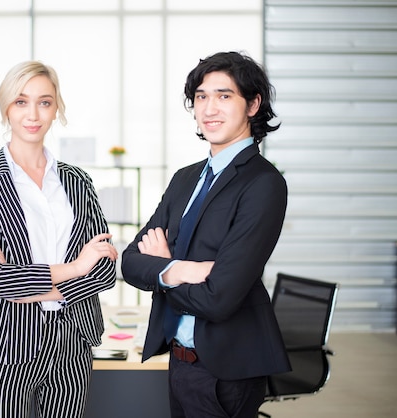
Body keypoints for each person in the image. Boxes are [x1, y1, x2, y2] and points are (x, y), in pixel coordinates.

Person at [121, 51, 291, 418]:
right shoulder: (186, 178)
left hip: (226, 370)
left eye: (224, 95)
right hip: (180, 362)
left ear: (253, 104)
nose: (209, 108)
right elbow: (131, 262)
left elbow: (219, 299)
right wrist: (179, 269)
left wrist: (163, 265)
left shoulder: (263, 183)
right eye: (201, 97)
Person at [0, 60, 118, 418]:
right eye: (21, 102)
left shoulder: (77, 181)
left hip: (72, 345)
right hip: (7, 345)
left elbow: (105, 269)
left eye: (44, 102)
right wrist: (77, 267)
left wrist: (29, 289)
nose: (33, 114)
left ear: (56, 108)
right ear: (6, 108)